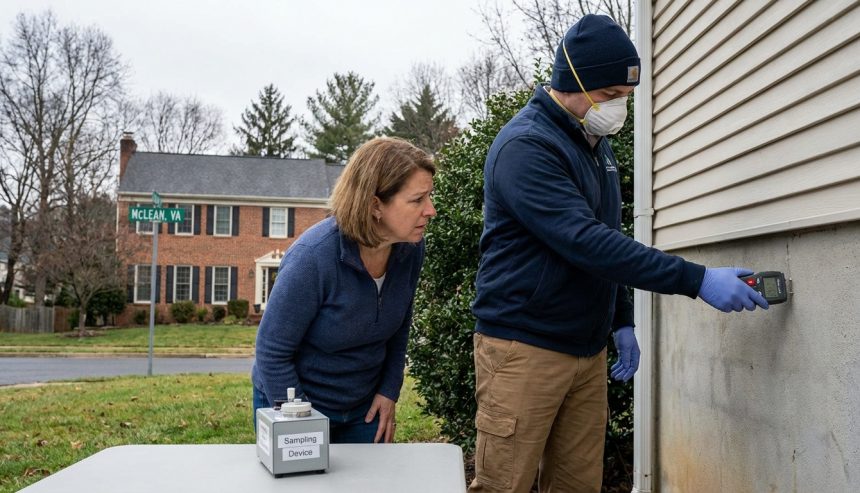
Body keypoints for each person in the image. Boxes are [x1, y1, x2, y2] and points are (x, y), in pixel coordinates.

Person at [469, 14, 769, 493]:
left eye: (626, 97)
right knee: (505, 483)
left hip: (586, 350)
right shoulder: (527, 147)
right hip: (524, 348)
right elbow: (587, 242)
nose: (619, 109)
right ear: (575, 83)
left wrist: (620, 317)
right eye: (610, 96)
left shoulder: (595, 144)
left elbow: (606, 235)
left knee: (577, 484)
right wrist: (697, 280)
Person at [252, 136, 436, 444]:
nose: (430, 210)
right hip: (295, 402)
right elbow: (272, 353)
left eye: (429, 197)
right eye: (417, 200)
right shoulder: (313, 258)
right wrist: (301, 427)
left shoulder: (410, 249)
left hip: (364, 408)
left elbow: (399, 328)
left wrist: (389, 390)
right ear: (375, 205)